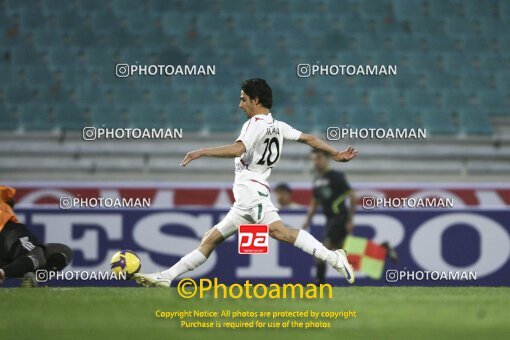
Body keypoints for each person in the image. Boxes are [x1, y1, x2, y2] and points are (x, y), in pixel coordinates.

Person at [134, 79, 358, 287]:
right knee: (210, 239)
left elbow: (238, 149)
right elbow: (309, 138)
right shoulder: (277, 125)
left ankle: (333, 257)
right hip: (247, 195)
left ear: (256, 100)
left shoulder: (254, 123)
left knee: (280, 232)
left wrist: (201, 151)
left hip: (252, 190)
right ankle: (167, 277)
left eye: (243, 99)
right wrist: (335, 154)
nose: (240, 104)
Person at [302, 150, 356, 284]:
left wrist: (350, 220)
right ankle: (383, 249)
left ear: (326, 159)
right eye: (313, 159)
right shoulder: (317, 180)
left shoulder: (336, 176)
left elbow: (352, 196)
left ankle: (319, 284)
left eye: (318, 158)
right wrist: (308, 220)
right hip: (330, 220)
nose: (316, 162)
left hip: (339, 218)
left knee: (321, 251)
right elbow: (315, 202)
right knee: (346, 250)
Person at [0, 185, 72, 286]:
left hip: (7, 237)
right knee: (36, 256)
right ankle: (3, 273)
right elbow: (10, 197)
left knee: (63, 251)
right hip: (6, 228)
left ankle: (32, 280)